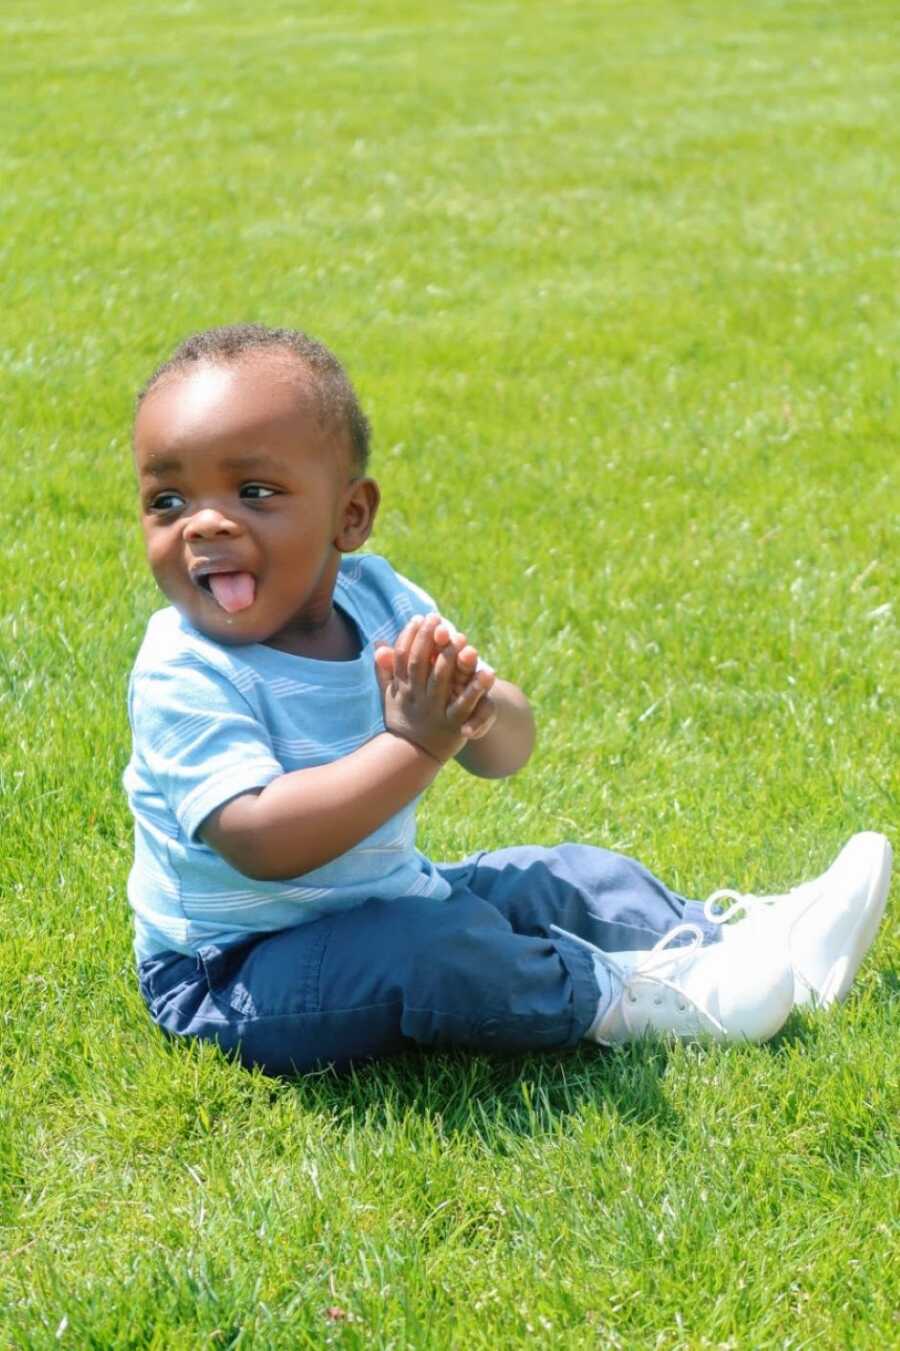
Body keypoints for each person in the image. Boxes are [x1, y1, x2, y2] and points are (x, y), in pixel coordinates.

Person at [125, 324, 893, 1076]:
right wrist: (417, 746)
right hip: (233, 974)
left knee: (560, 875)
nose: (205, 523)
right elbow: (262, 840)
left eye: (253, 490)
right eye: (167, 500)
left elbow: (507, 749)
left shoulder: (381, 601)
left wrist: (474, 712)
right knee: (428, 951)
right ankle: (640, 998)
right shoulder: (182, 669)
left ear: (350, 515)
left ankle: (747, 942)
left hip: (388, 893)